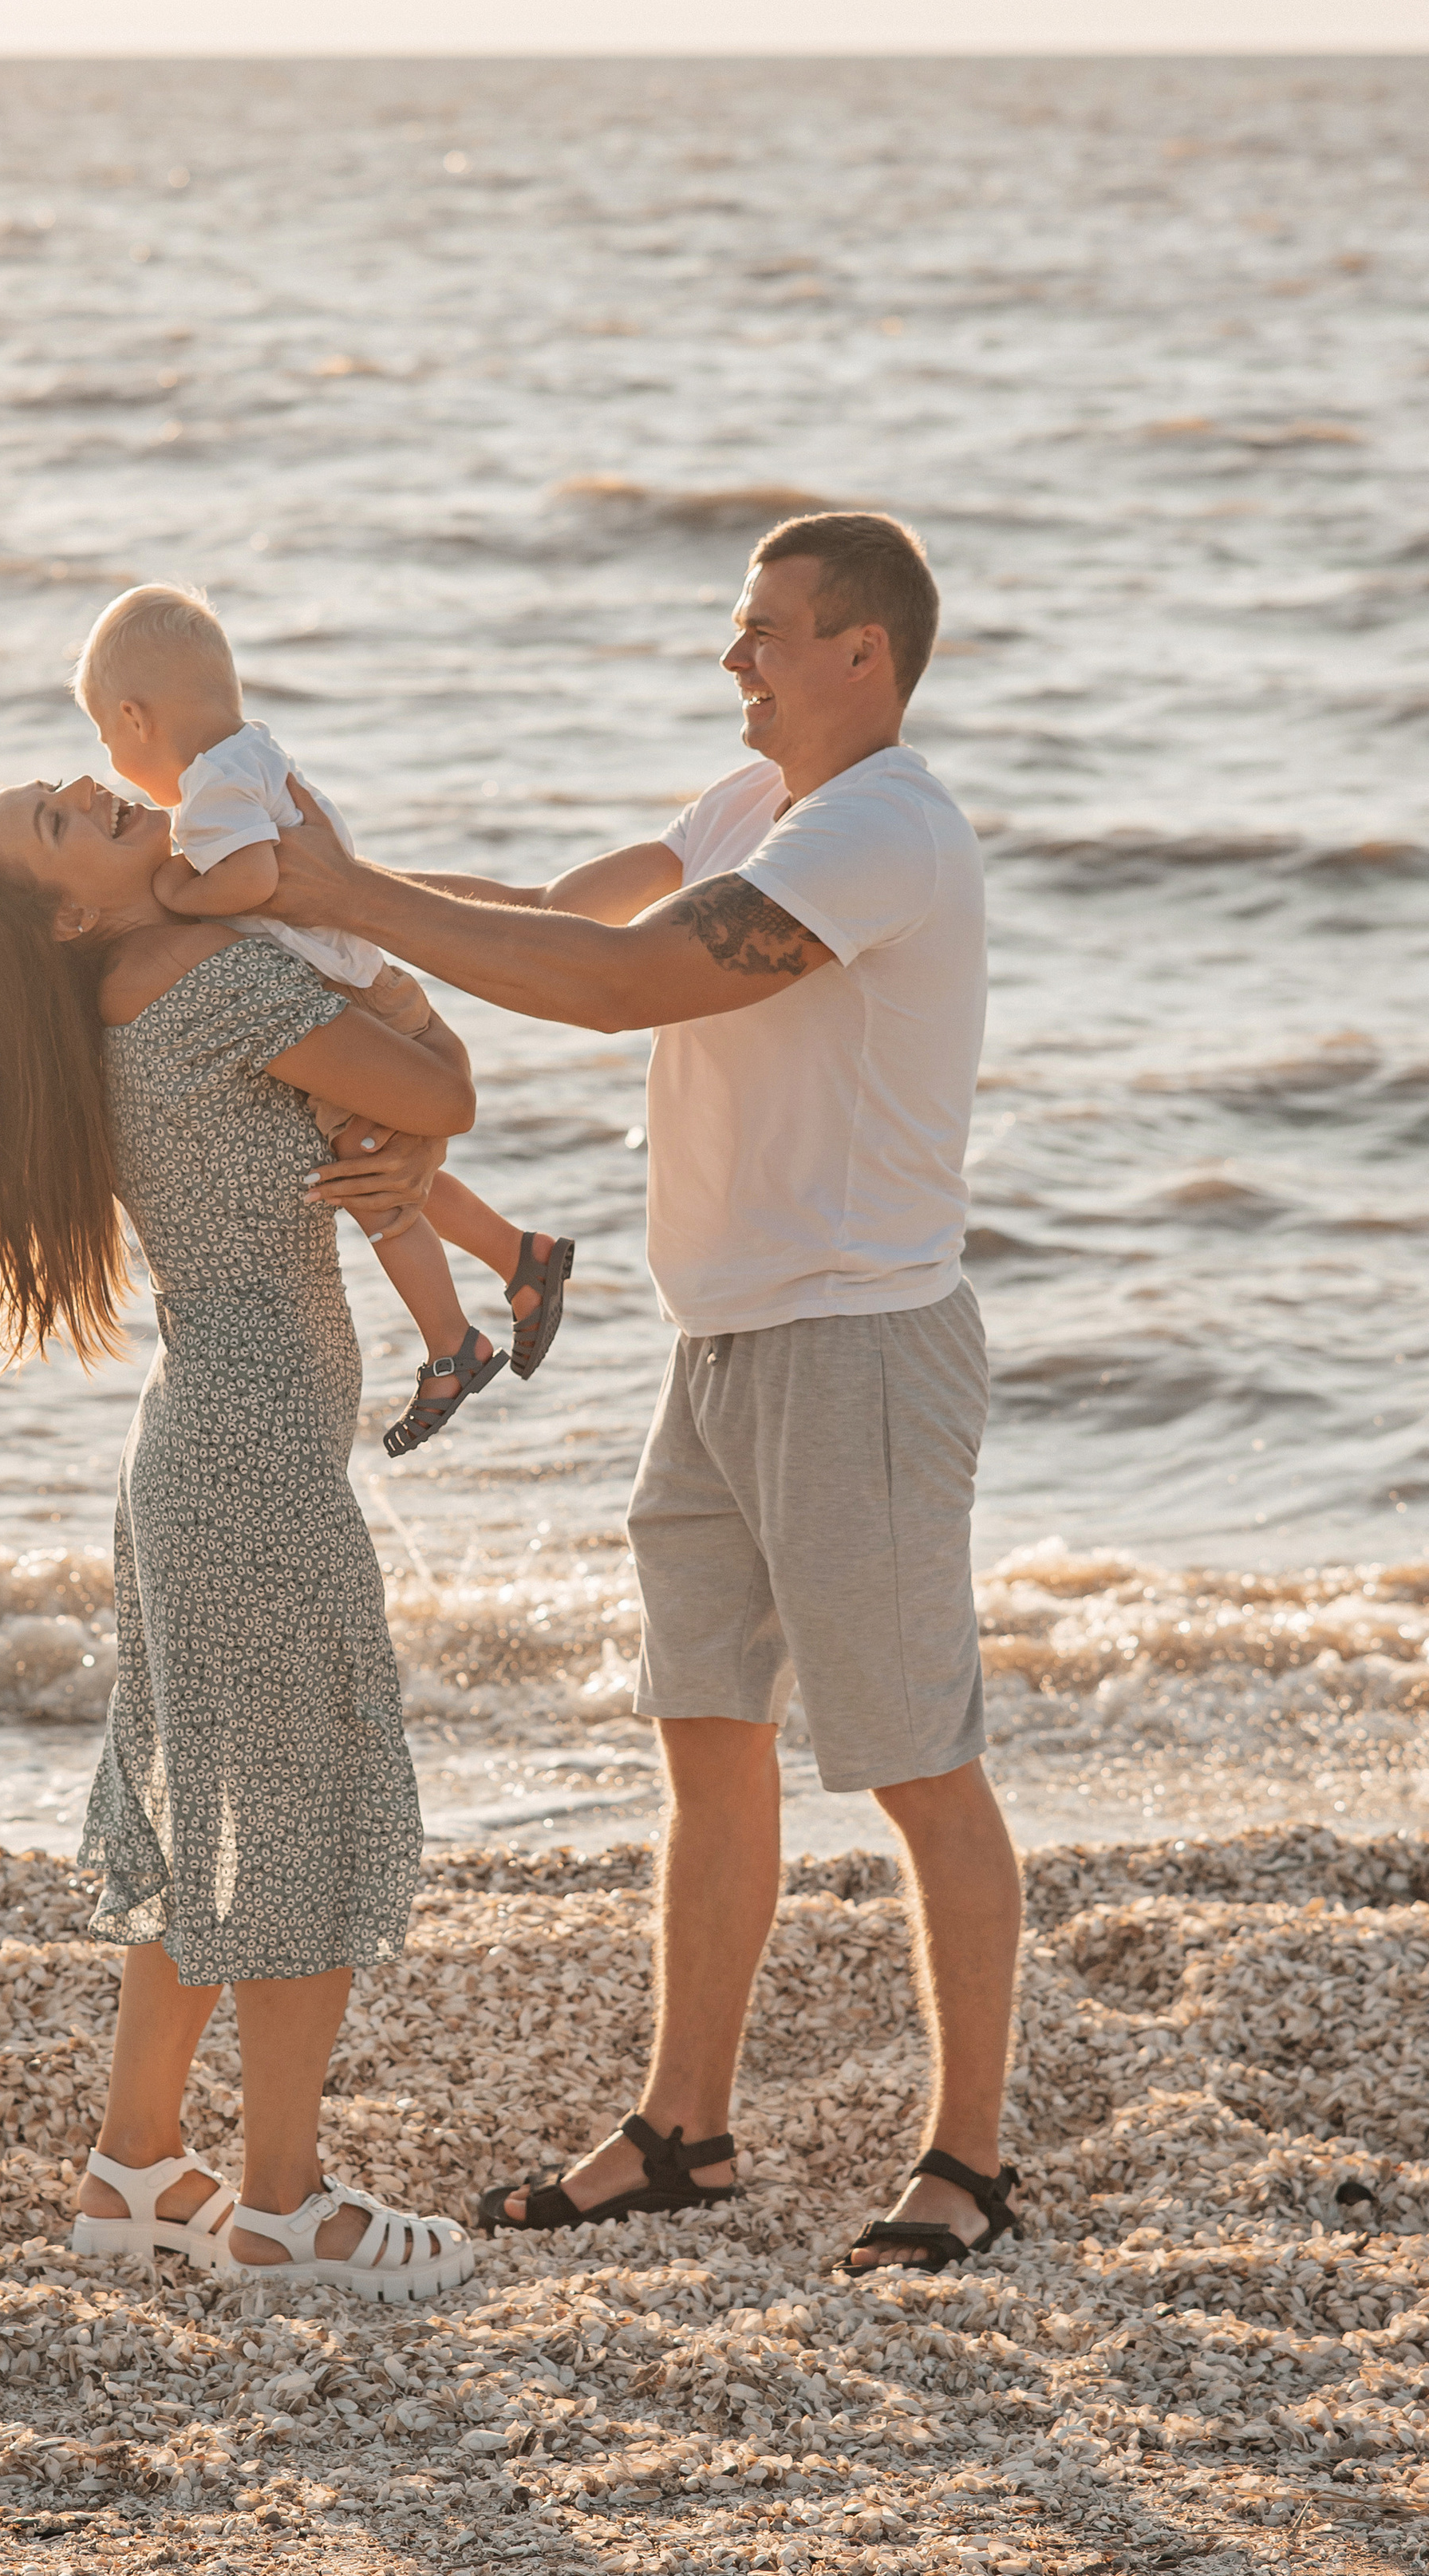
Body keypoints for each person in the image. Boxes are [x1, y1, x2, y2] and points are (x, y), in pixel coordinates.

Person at [275, 511, 1025, 2276]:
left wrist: (345, 898)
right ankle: (685, 2131)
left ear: (863, 653)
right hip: (723, 1344)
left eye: (765, 629)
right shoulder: (751, 802)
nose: (731, 655)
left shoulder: (883, 831)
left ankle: (971, 2165)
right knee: (708, 1736)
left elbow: (622, 989)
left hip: (856, 1346)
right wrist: (305, 900)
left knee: (917, 1766)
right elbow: (559, 919)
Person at [0, 770, 476, 2300]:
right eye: (60, 822)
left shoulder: (129, 993)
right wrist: (384, 991)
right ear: (70, 916)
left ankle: (135, 2169)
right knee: (297, 1810)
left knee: (213, 1808)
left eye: (63, 786)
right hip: (248, 1458)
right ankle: (285, 2209)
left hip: (196, 1447)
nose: (89, 787)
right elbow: (439, 1094)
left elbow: (392, 1119)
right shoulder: (202, 973)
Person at [75, 580, 574, 1456]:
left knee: (371, 1177)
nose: (109, 759)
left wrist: (176, 889)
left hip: (345, 993)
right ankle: (516, 1257)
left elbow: (253, 879)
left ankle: (453, 1341)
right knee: (380, 1160)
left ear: (134, 717)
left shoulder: (210, 792)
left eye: (104, 735)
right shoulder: (253, 754)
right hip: (364, 975)